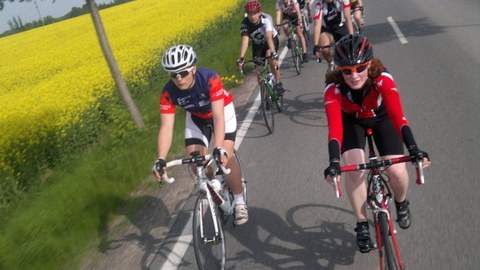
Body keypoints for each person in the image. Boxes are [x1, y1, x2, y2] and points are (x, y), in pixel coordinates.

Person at [322, 34, 430, 253]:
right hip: (351, 122)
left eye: (360, 68)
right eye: (347, 71)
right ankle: (361, 223)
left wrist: (414, 149)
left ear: (369, 64)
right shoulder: (333, 89)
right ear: (339, 70)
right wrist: (334, 162)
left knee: (397, 171)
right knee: (353, 169)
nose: (354, 76)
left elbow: (398, 118)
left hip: (381, 118)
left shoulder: (382, 79)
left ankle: (401, 203)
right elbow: (335, 130)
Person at [152, 44, 248, 226]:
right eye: (174, 75)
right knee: (195, 162)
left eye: (183, 73)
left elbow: (219, 116)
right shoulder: (167, 92)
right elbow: (166, 127)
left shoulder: (209, 78)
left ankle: (239, 200)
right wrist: (161, 158)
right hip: (197, 118)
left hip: (222, 112)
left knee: (224, 156)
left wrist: (218, 147)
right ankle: (215, 185)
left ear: (193, 69)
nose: (179, 79)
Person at [238, 0, 285, 95]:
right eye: (249, 14)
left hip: (271, 41)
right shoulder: (245, 23)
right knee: (259, 72)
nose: (252, 16)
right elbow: (245, 40)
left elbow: (268, 37)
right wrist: (241, 57)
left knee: (270, 56)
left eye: (254, 13)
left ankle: (278, 82)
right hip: (258, 44)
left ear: (259, 12)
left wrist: (273, 53)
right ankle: (264, 96)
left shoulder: (266, 19)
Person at [312, 0, 354, 70]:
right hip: (328, 30)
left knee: (347, 50)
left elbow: (347, 18)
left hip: (341, 27)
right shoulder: (319, 5)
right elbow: (317, 25)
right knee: (324, 48)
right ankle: (331, 63)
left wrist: (352, 36)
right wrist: (316, 45)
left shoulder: (341, 1)